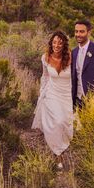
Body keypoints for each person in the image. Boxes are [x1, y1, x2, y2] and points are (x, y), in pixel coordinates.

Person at [32, 31, 73, 167]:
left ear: (64, 44)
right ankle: (58, 155)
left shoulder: (70, 58)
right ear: (51, 43)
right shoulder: (45, 58)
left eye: (60, 42)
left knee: (64, 124)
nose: (57, 45)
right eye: (54, 42)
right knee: (57, 122)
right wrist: (41, 94)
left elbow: (76, 77)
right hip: (51, 93)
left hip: (66, 95)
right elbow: (45, 76)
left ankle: (59, 146)